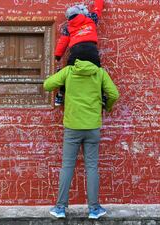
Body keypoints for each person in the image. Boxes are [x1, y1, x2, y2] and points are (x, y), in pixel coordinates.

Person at [44, 59, 119, 219]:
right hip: (92, 127)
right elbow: (114, 94)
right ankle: (94, 209)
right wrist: (107, 106)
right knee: (92, 167)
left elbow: (47, 85)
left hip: (72, 127)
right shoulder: (99, 72)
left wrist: (62, 81)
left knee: (67, 166)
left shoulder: (69, 71)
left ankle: (60, 208)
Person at [54, 0, 104, 106]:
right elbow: (97, 9)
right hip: (91, 50)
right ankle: (103, 96)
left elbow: (63, 42)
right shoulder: (91, 19)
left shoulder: (68, 27)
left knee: (68, 73)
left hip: (76, 51)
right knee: (98, 72)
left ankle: (61, 95)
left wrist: (58, 55)